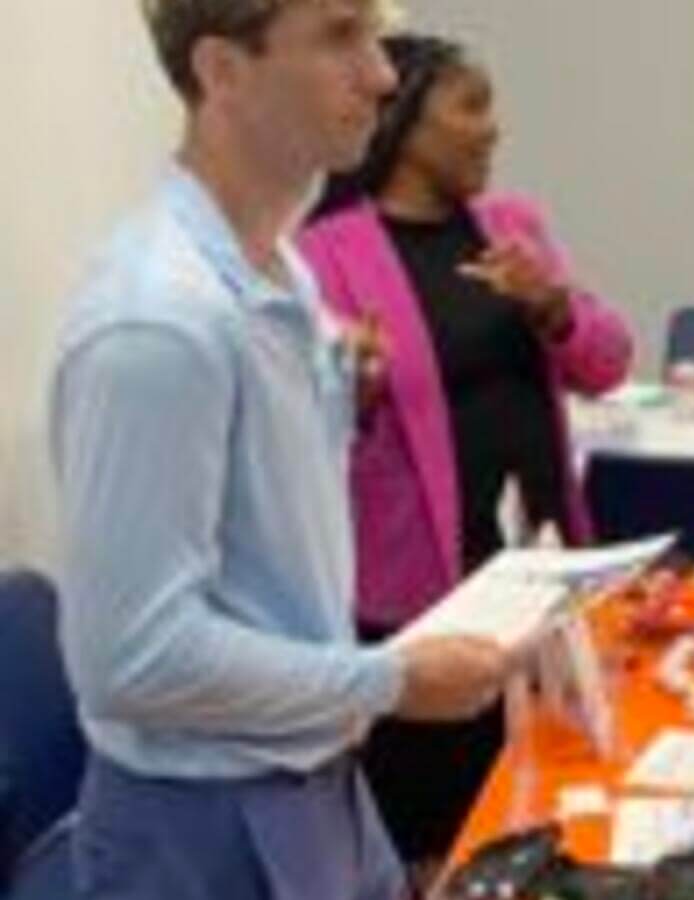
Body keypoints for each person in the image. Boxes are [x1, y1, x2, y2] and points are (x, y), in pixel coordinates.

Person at [52, 2, 515, 899]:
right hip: (207, 824)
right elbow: (132, 658)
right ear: (223, 71)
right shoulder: (159, 322)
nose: (383, 76)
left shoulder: (280, 271)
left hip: (315, 789)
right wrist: (390, 682)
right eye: (342, 38)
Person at [298, 33, 633, 871]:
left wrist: (553, 306)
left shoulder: (513, 229)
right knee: (439, 845)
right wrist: (355, 387)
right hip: (422, 602)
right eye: (471, 106)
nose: (493, 128)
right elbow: (303, 433)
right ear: (405, 123)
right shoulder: (327, 254)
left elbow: (607, 362)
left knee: (551, 817)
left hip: (546, 575)